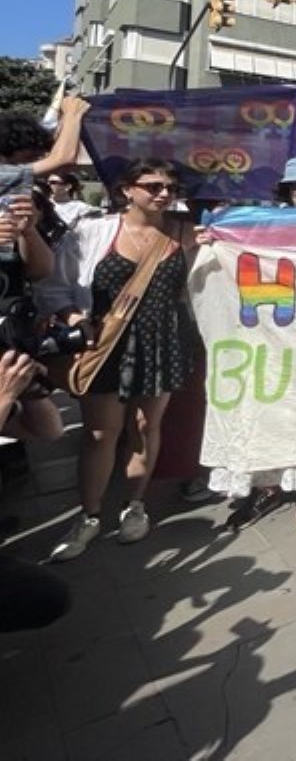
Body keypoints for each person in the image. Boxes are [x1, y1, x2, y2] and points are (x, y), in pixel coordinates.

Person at [46, 160, 200, 561]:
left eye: (170, 186)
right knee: (101, 434)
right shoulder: (93, 232)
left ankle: (136, 505)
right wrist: (74, 317)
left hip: (163, 343)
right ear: (126, 190)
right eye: (152, 185)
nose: (164, 193)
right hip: (105, 347)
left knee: (146, 429)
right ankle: (90, 516)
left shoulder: (186, 233)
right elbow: (53, 287)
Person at [208, 156, 296, 527]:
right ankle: (268, 485)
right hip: (268, 327)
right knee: (269, 406)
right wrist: (215, 237)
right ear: (287, 190)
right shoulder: (259, 224)